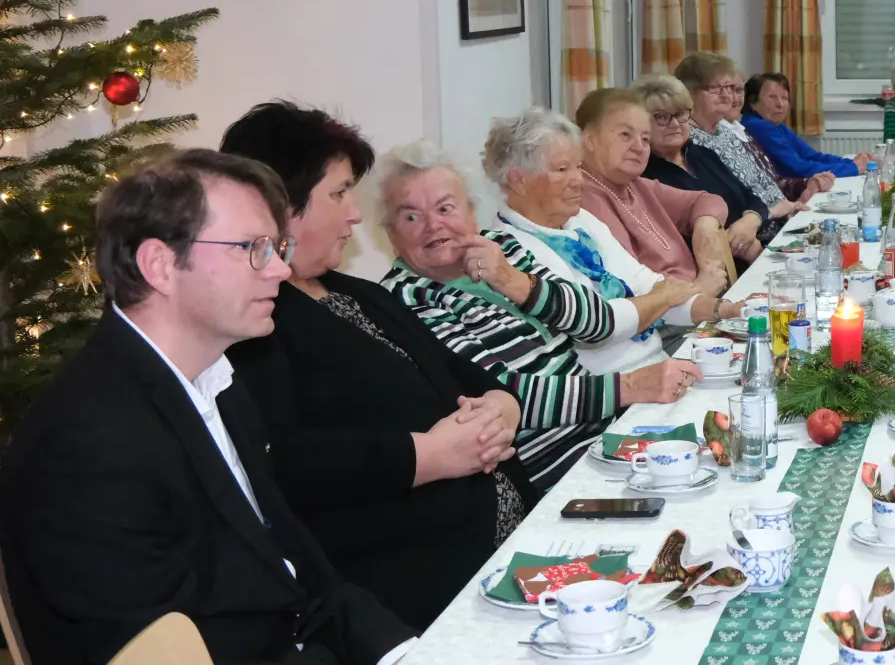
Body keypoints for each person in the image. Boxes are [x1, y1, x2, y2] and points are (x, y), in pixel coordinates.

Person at [0, 150, 416, 665]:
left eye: (277, 247)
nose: (280, 269)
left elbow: (302, 574)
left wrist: (405, 652)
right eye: (253, 248)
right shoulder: (85, 444)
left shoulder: (220, 383)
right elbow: (166, 651)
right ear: (160, 265)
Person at [219, 102, 528, 631]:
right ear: (281, 204)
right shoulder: (256, 323)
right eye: (339, 194)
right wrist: (429, 456)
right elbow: (283, 463)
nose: (355, 215)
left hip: (510, 542)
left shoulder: (356, 291)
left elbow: (464, 375)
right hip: (413, 589)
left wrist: (502, 407)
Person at [374, 141, 702, 495]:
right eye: (411, 217)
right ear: (391, 235)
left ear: (470, 211)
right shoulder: (404, 300)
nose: (432, 225)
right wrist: (630, 387)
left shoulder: (501, 248)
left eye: (445, 208)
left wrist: (512, 280)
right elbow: (500, 393)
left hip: (606, 435)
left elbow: (595, 324)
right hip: (553, 467)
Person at [485, 106, 742, 376]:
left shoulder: (580, 220)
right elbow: (600, 325)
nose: (578, 180)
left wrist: (726, 311)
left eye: (578, 167)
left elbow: (645, 283)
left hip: (658, 363)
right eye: (562, 169)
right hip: (617, 385)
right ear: (518, 180)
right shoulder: (511, 250)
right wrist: (663, 297)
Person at [575, 88, 732, 279]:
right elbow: (631, 280)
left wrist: (705, 227)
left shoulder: (636, 186)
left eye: (645, 139)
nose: (639, 147)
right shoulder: (583, 195)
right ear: (590, 139)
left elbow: (707, 200)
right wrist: (699, 288)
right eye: (625, 135)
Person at [637, 74, 788, 253]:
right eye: (662, 117)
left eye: (680, 114)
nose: (675, 123)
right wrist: (739, 243)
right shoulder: (644, 175)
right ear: (641, 124)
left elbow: (751, 198)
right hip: (722, 263)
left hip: (757, 245)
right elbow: (677, 241)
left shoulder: (702, 154)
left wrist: (751, 220)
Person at [676, 51, 823, 206]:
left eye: (728, 87)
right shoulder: (688, 140)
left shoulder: (725, 132)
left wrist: (805, 185)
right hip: (759, 219)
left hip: (780, 213)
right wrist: (776, 211)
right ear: (689, 93)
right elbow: (727, 200)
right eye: (715, 87)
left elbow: (765, 181)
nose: (727, 95)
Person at [741, 72, 869, 179]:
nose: (780, 104)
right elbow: (799, 169)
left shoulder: (776, 125)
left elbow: (813, 156)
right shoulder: (757, 126)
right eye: (772, 97)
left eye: (784, 98)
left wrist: (851, 163)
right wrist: (853, 168)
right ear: (753, 102)